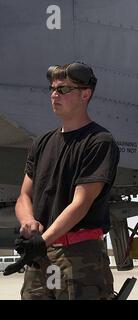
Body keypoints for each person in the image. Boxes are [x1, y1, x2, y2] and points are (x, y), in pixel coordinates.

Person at [4, 62, 120, 300]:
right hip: (40, 256)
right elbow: (25, 196)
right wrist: (28, 222)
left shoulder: (99, 141)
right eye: (53, 89)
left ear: (85, 94)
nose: (54, 94)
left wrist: (43, 241)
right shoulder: (42, 143)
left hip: (79, 257)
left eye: (64, 89)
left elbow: (81, 203)